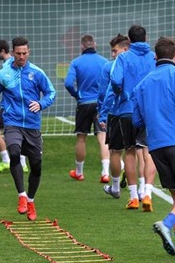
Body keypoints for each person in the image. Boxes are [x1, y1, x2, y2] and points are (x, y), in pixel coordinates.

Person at [0, 36, 56, 221]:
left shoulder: (37, 72)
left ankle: (31, 200)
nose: (21, 56)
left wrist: (41, 104)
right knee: (14, 151)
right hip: (12, 122)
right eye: (18, 53)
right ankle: (21, 196)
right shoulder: (4, 73)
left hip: (33, 125)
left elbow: (51, 92)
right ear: (13, 52)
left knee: (37, 166)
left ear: (29, 52)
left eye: (24, 53)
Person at [103, 25, 155, 211]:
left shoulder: (124, 58)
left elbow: (115, 80)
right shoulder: (152, 57)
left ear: (130, 41)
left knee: (130, 152)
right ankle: (147, 192)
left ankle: (133, 197)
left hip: (127, 109)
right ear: (146, 38)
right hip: (148, 109)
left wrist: (121, 94)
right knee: (148, 151)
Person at [131, 36, 175, 256]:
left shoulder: (143, 83)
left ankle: (168, 229)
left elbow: (137, 121)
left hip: (156, 146)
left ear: (156, 57)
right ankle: (166, 224)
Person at [64, 34, 109, 182]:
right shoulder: (104, 62)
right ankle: (105, 173)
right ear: (94, 44)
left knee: (81, 137)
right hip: (101, 103)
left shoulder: (76, 62)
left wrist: (77, 95)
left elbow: (69, 83)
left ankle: (79, 172)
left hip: (84, 103)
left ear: (82, 46)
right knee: (102, 137)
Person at [0, 40, 28, 174]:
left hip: (8, 106)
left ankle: (7, 160)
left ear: (2, 51)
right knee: (18, 133)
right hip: (13, 106)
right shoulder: (12, 63)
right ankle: (22, 163)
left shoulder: (8, 66)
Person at [98, 34, 129, 192]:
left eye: (114, 50)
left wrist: (102, 113)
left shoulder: (109, 67)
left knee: (115, 151)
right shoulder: (142, 63)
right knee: (138, 151)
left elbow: (104, 93)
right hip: (137, 113)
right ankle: (143, 191)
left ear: (125, 49)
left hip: (117, 112)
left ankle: (115, 187)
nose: (112, 54)